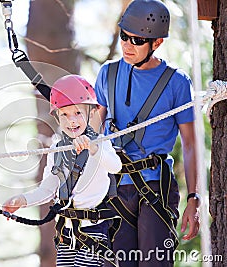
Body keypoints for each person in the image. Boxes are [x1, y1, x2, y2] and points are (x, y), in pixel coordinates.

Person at [92, 0, 200, 266]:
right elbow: (93, 132)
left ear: (157, 43)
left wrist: (194, 198)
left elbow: (190, 143)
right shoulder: (108, 74)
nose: (127, 45)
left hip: (155, 188)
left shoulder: (177, 82)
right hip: (114, 188)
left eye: (137, 40)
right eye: (124, 36)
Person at [3, 75, 122, 267]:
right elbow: (48, 189)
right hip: (66, 233)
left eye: (77, 113)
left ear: (91, 113)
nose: (71, 121)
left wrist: (93, 149)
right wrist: (22, 200)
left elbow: (116, 166)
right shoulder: (57, 149)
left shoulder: (101, 143)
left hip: (93, 230)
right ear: (57, 116)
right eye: (64, 114)